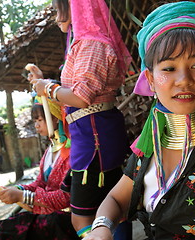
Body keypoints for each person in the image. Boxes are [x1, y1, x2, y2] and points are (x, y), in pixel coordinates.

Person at [84, 1, 195, 240]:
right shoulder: (148, 148)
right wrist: (101, 228)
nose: (183, 80)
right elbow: (116, 198)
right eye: (168, 68)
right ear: (151, 79)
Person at [27, 0, 133, 238]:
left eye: (58, 9)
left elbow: (80, 97)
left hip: (94, 143)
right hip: (95, 137)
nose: (56, 17)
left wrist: (49, 88)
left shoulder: (91, 44)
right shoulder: (85, 43)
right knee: (113, 204)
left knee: (82, 217)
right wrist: (44, 84)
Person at [0, 97, 79, 240]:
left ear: (55, 117)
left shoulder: (72, 152)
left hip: (64, 218)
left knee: (3, 233)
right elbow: (40, 183)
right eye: (34, 121)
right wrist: (19, 190)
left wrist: (23, 197)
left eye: (39, 120)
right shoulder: (50, 151)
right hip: (48, 214)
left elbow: (66, 197)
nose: (36, 125)